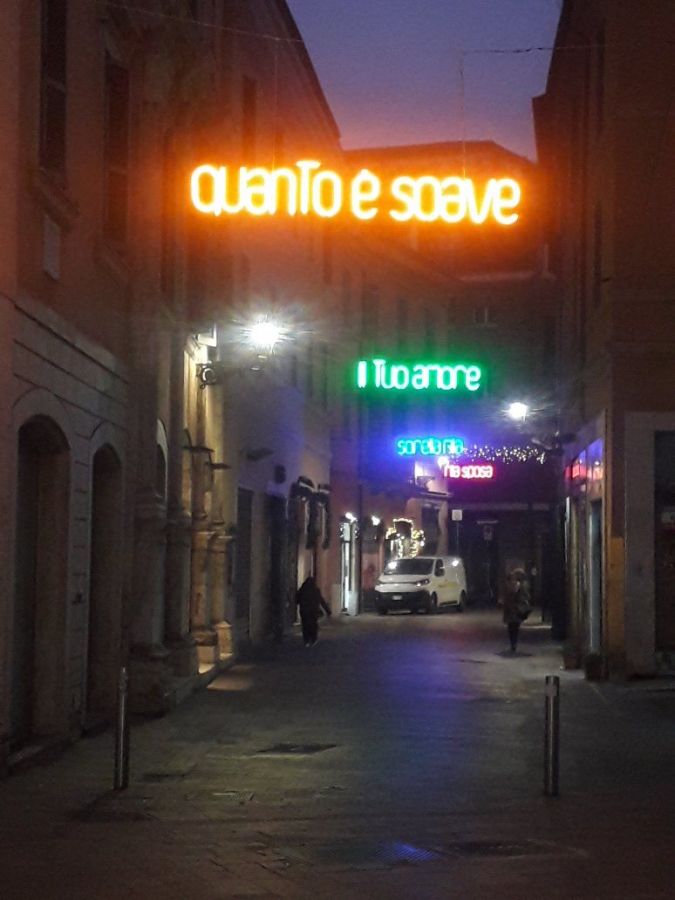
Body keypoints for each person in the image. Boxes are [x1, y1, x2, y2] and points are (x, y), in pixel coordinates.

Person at [499, 568, 531, 652]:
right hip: (515, 610)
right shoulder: (521, 586)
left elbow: (505, 597)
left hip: (513, 610)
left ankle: (513, 644)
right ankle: (514, 644)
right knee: (514, 628)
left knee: (511, 628)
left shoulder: (510, 586)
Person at [296, 575, 331, 646]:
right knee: (313, 625)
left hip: (304, 610)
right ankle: (313, 639)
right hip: (313, 611)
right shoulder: (316, 590)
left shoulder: (302, 590)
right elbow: (321, 600)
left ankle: (306, 640)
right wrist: (327, 611)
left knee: (305, 625)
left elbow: (297, 599)